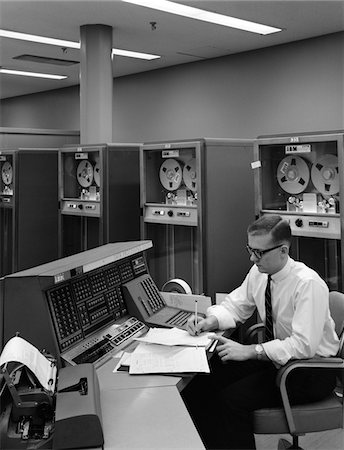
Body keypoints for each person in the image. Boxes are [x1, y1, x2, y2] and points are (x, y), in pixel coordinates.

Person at [183, 214, 339, 450]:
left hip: (309, 370)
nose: (252, 257)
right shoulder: (259, 273)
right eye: (250, 249)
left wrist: (251, 351)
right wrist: (210, 321)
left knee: (230, 401)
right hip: (276, 358)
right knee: (200, 383)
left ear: (283, 251)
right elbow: (237, 305)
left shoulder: (308, 284)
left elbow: (303, 346)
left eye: (259, 252)